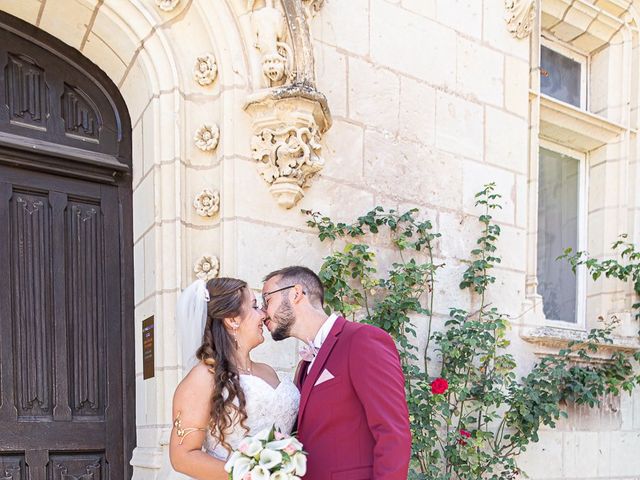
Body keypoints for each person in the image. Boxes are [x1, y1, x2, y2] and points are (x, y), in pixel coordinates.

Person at [262, 266, 412, 480]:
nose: (263, 312)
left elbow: (393, 432)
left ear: (296, 293)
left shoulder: (362, 340)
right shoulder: (304, 365)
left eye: (267, 299)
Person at [169, 278, 300, 479]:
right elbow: (182, 456)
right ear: (232, 320)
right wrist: (252, 474)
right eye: (255, 306)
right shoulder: (203, 378)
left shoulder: (269, 372)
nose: (264, 314)